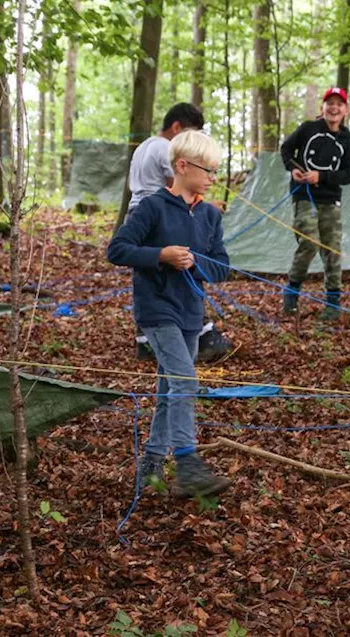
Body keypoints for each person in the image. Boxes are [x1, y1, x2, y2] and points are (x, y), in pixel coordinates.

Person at [108, 131, 233, 498]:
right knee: (185, 381)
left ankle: (150, 466)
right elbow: (118, 249)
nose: (213, 177)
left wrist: (197, 264)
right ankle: (188, 464)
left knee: (169, 389)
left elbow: (223, 267)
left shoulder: (210, 215)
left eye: (215, 170)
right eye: (208, 170)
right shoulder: (152, 207)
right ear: (182, 166)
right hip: (156, 311)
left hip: (191, 315)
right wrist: (161, 255)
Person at [124, 102, 233, 362]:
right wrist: (203, 205)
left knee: (164, 272)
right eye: (190, 134)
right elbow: (179, 182)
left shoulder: (144, 145)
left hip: (139, 207)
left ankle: (151, 339)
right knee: (170, 272)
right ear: (177, 129)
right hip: (161, 212)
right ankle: (173, 334)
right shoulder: (165, 148)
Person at [279, 87, 350, 321]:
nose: (334, 108)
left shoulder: (347, 139)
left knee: (332, 250)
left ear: (345, 110)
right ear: (322, 107)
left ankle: (333, 302)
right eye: (329, 103)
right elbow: (286, 149)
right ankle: (292, 292)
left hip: (331, 200)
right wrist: (293, 168)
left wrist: (321, 177)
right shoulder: (308, 129)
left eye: (339, 104)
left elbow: (349, 174)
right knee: (309, 243)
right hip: (304, 196)